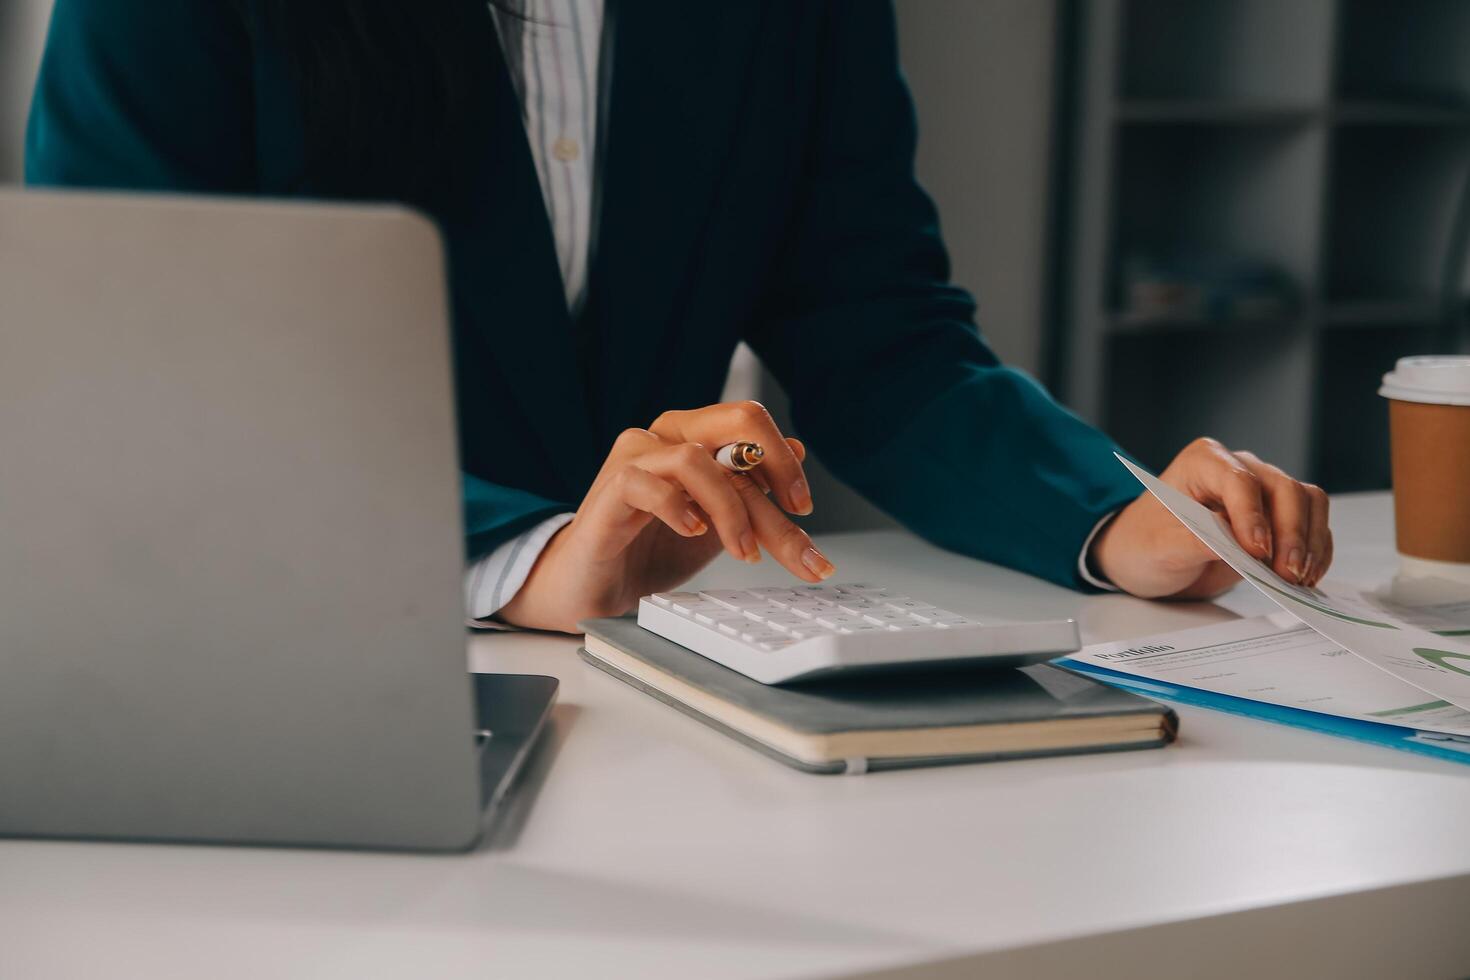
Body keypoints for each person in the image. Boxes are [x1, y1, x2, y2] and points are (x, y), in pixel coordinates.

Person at [27, 0, 1332, 634]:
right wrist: (526, 560)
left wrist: (1113, 521)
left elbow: (880, 337)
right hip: (276, 650)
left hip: (638, 677)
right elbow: (126, 369)